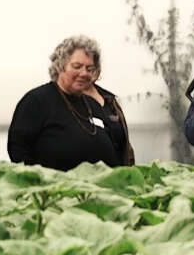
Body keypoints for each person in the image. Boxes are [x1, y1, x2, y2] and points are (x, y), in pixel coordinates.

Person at [7, 35, 135, 170]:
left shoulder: (93, 105)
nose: (84, 73)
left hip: (101, 189)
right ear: (60, 66)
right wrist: (39, 183)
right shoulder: (36, 101)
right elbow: (18, 150)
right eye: (77, 66)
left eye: (90, 68)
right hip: (56, 189)